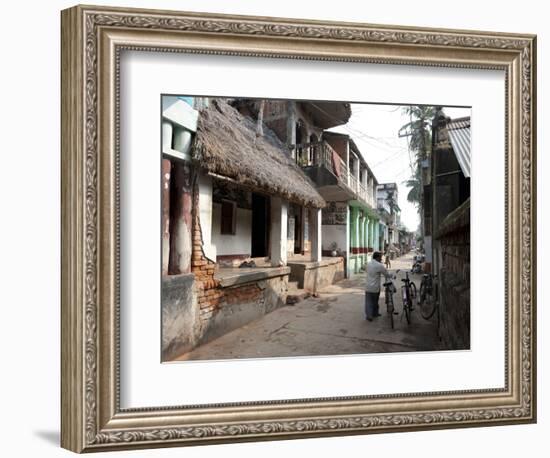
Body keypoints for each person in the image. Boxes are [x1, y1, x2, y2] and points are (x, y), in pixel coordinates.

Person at [365, 251, 392, 321]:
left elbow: (367, 272)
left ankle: (369, 315)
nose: (381, 259)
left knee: (368, 302)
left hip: (368, 286)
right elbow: (386, 274)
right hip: (375, 287)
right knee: (375, 301)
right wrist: (391, 275)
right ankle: (375, 313)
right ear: (377, 257)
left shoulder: (368, 264)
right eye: (380, 257)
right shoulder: (379, 265)